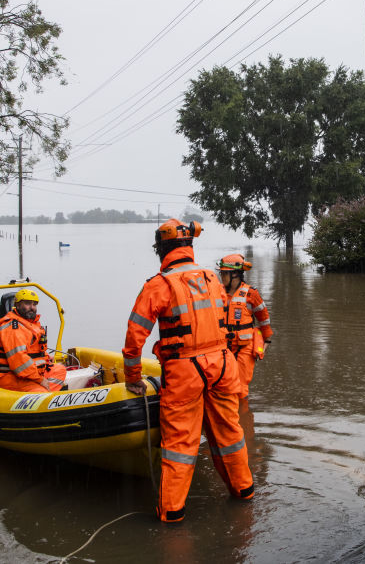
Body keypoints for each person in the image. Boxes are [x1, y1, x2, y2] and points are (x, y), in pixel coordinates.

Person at [122, 219, 254, 523]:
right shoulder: (212, 277)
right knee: (231, 434)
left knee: (180, 445)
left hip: (185, 371)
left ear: (162, 249)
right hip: (222, 364)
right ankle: (244, 492)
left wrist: (132, 378)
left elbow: (135, 336)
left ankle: (172, 513)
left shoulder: (160, 284)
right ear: (188, 247)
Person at [217, 253, 273, 399]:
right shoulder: (217, 293)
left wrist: (266, 341)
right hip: (222, 348)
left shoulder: (251, 294)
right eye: (220, 273)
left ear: (235, 274)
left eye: (224, 273)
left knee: (240, 390)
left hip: (244, 348)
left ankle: (242, 417)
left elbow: (264, 319)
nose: (221, 277)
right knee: (221, 388)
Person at [0, 288, 67, 392]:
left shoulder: (29, 324)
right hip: (10, 377)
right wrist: (40, 380)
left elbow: (33, 350)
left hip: (29, 374)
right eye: (27, 303)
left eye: (34, 304)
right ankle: (42, 394)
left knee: (59, 370)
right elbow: (19, 361)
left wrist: (46, 357)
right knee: (41, 393)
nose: (32, 307)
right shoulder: (13, 327)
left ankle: (46, 393)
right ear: (17, 305)